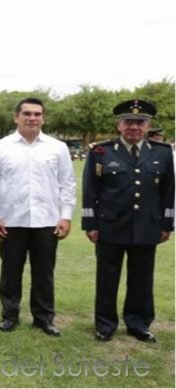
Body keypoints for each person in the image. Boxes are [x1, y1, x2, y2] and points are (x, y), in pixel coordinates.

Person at [82, 99, 174, 343]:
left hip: (148, 226)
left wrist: (167, 225)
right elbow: (90, 191)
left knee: (142, 279)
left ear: (148, 126)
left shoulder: (163, 153)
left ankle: (139, 323)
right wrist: (90, 225)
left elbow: (168, 193)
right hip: (110, 225)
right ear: (119, 125)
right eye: (128, 122)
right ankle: (105, 324)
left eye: (140, 122)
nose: (134, 127)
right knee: (107, 278)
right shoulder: (101, 152)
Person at [0, 98, 76, 337]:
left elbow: (67, 184)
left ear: (43, 118)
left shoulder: (57, 148)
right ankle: (9, 316)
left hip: (47, 221)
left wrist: (65, 216)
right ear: (16, 117)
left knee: (44, 274)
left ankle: (44, 318)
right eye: (26, 113)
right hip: (11, 221)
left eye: (37, 114)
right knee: (10, 273)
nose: (32, 118)